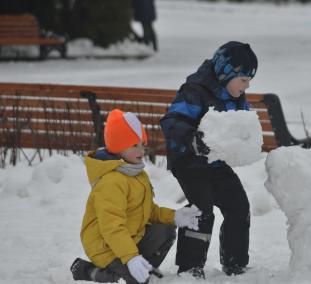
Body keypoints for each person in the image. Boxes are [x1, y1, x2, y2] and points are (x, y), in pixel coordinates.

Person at [160, 41, 258, 279]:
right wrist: (193, 140)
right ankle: (189, 268)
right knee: (202, 210)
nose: (247, 86)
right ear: (226, 73)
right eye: (243, 79)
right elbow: (171, 122)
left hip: (215, 162)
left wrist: (245, 140)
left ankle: (235, 263)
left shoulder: (236, 96)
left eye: (249, 81)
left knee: (238, 206)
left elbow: (239, 125)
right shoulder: (195, 90)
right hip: (188, 161)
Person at [70, 109, 201, 284]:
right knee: (137, 280)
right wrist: (130, 257)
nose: (141, 150)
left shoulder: (137, 174)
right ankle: (87, 270)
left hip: (131, 239)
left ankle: (141, 269)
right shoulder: (111, 182)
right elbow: (112, 227)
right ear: (117, 147)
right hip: (105, 246)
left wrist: (174, 216)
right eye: (134, 145)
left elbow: (148, 211)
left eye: (142, 144)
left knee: (166, 229)